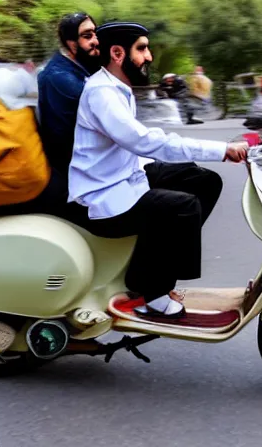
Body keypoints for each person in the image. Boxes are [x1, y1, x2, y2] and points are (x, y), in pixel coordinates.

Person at [68, 22, 248, 319]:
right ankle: (154, 291)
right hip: (104, 195)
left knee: (204, 180)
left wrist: (185, 163)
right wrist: (221, 150)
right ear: (116, 53)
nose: (149, 56)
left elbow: (134, 147)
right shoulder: (102, 93)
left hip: (125, 177)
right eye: (142, 49)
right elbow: (142, 141)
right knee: (183, 207)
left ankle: (153, 267)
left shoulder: (117, 88)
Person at [38, 12, 101, 195]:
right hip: (79, 179)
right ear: (71, 43)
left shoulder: (78, 68)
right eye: (87, 36)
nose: (96, 41)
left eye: (96, 34)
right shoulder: (60, 78)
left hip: (89, 168)